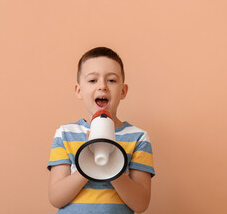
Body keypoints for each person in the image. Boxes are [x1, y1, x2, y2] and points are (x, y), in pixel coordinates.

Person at [47, 47, 155, 213]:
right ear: (79, 90)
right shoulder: (65, 134)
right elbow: (56, 198)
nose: (102, 86)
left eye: (111, 80)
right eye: (92, 80)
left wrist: (113, 166)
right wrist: (87, 163)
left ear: (123, 91)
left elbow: (140, 204)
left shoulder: (138, 138)